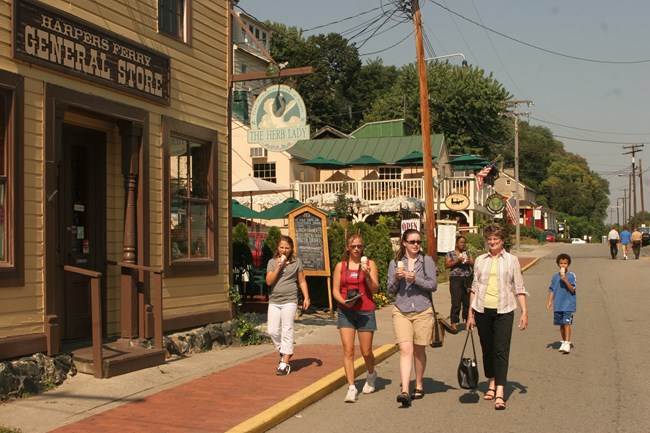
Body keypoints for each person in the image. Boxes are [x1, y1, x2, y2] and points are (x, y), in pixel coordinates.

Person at [467, 223, 528, 411]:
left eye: (496, 239)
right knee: (487, 349)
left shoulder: (511, 260)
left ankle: (500, 390)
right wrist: (470, 313)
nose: (492, 242)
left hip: (504, 310)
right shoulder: (480, 260)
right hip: (482, 310)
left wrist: (524, 311)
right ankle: (491, 382)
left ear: (502, 241)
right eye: (489, 239)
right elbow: (475, 287)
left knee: (501, 350)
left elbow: (519, 287)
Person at [387, 229, 437, 407]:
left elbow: (433, 285)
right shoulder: (395, 263)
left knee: (418, 350)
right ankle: (405, 391)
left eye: (418, 241)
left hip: (423, 310)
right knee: (405, 350)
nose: (416, 245)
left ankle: (419, 383)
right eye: (412, 242)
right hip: (401, 310)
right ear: (404, 243)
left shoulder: (427, 261)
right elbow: (390, 290)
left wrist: (416, 279)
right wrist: (396, 278)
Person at [332, 234, 380, 403]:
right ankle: (352, 387)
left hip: (365, 311)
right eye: (353, 246)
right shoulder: (341, 266)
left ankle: (371, 373)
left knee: (366, 351)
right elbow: (335, 290)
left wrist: (367, 276)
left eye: (359, 246)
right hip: (346, 311)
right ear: (348, 248)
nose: (357, 249)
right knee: (348, 350)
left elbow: (374, 290)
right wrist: (344, 301)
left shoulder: (370, 264)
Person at [265, 235, 310, 376]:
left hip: (290, 300)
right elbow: (269, 282)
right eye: (281, 247)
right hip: (275, 301)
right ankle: (284, 350)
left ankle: (284, 363)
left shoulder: (296, 263)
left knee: (287, 328)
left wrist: (306, 297)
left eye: (287, 248)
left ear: (291, 249)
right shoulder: (272, 262)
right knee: (271, 330)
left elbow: (302, 281)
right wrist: (279, 266)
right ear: (278, 248)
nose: (284, 250)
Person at [546, 253, 577, 354]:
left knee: (566, 323)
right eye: (561, 263)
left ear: (568, 264)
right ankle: (564, 341)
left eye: (565, 263)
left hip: (568, 304)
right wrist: (550, 301)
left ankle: (567, 342)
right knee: (561, 324)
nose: (563, 265)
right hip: (558, 304)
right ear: (558, 264)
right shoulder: (555, 277)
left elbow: (572, 289)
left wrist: (565, 280)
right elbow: (552, 290)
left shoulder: (571, 276)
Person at [444, 236, 475, 332]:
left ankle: (467, 321)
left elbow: (473, 264)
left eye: (464, 242)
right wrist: (457, 260)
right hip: (455, 279)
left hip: (467, 278)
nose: (462, 244)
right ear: (456, 243)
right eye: (461, 242)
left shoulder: (467, 253)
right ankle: (454, 322)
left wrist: (468, 262)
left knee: (467, 301)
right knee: (456, 301)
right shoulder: (450, 253)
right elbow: (447, 265)